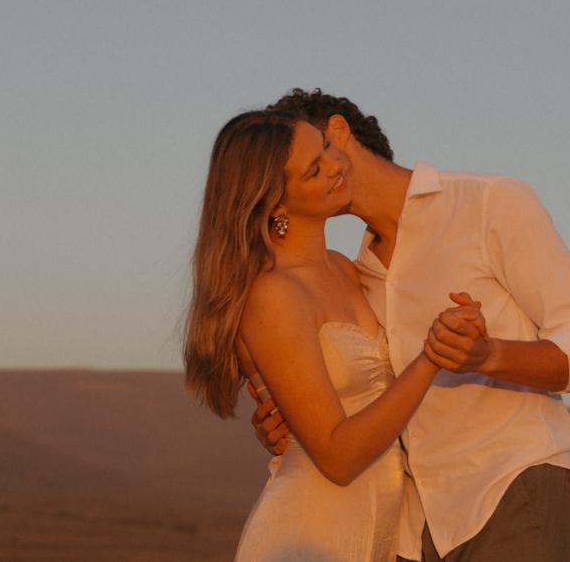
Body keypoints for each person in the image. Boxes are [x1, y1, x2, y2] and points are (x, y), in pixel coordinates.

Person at [250, 89, 570, 562]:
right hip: (407, 527)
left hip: (511, 491)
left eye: (307, 161)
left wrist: (491, 355)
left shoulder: (489, 203)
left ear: (337, 133)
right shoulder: (351, 276)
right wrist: (288, 424)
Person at [184, 109, 485, 562]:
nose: (336, 166)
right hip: (310, 537)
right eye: (313, 170)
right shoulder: (274, 295)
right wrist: (432, 357)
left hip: (380, 537)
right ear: (276, 203)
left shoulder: (345, 269)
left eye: (325, 148)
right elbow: (337, 458)